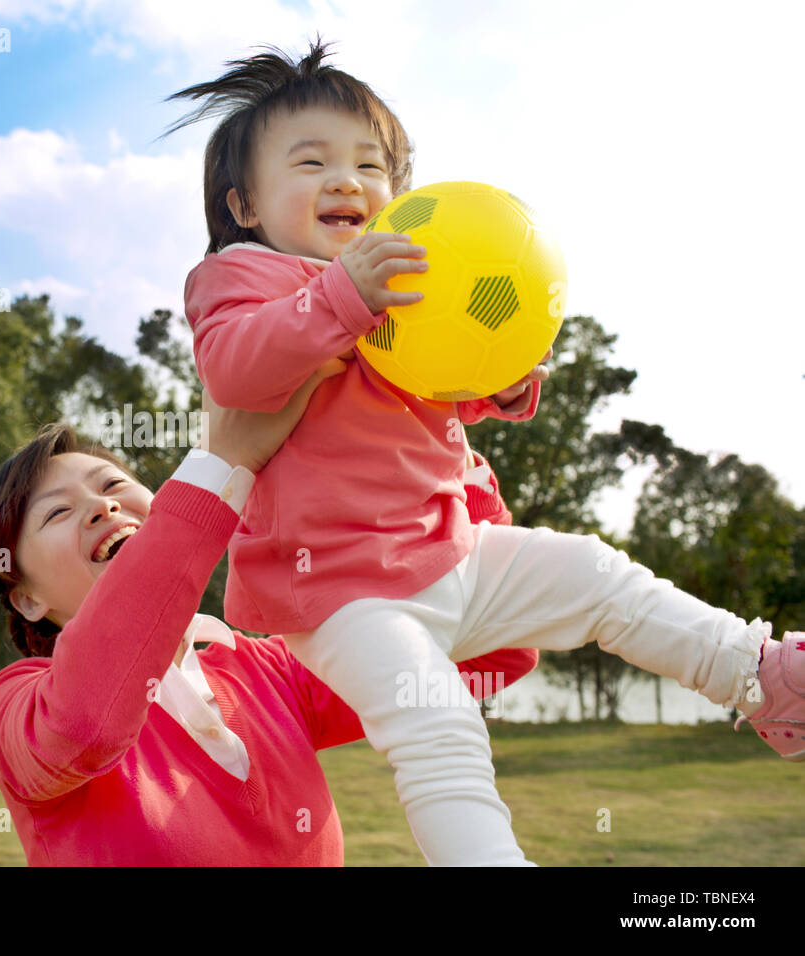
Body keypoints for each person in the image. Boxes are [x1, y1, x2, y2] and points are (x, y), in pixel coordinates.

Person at [163, 38, 804, 866]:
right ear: (244, 204)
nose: (347, 181)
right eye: (311, 161)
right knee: (439, 726)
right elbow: (237, 367)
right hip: (342, 591)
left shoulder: (409, 282)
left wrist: (498, 384)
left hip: (452, 550)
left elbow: (435, 382)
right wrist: (341, 295)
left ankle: (762, 678)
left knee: (598, 575)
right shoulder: (242, 276)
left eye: (370, 163)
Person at [0, 364, 539, 866]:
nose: (104, 505)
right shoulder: (15, 707)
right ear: (25, 598)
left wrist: (450, 454)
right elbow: (83, 727)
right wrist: (223, 465)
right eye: (59, 513)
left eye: (113, 484)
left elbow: (493, 646)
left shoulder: (274, 668)